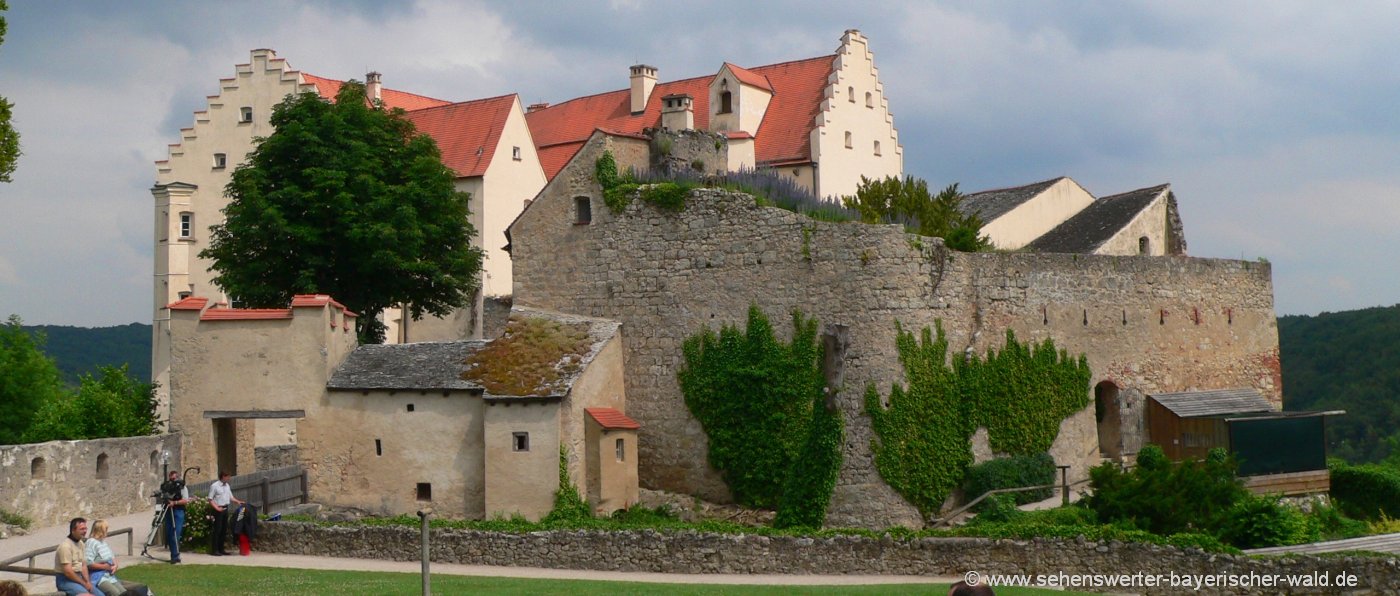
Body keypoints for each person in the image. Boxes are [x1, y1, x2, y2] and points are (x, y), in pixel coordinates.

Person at [54, 517, 94, 596]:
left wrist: (87, 582)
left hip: (78, 578)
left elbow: (83, 565)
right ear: (73, 530)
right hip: (65, 581)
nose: (85, 531)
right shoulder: (65, 547)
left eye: (85, 528)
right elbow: (68, 572)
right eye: (82, 529)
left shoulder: (81, 543)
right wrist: (84, 583)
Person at [84, 520, 123, 596]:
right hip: (99, 577)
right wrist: (105, 567)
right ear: (101, 530)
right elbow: (88, 563)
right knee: (115, 593)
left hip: (110, 576)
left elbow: (112, 557)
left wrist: (115, 565)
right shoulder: (91, 542)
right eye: (106, 529)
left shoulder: (103, 542)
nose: (107, 532)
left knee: (123, 592)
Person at [207, 470, 243, 556]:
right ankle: (215, 550)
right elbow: (210, 499)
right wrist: (216, 508)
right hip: (218, 508)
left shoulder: (227, 486)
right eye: (228, 477)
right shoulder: (214, 486)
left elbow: (231, 497)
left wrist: (238, 501)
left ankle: (221, 549)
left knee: (224, 529)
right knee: (217, 529)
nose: (229, 478)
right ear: (223, 476)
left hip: (225, 508)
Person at [160, 469, 192, 563]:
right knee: (169, 534)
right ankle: (173, 555)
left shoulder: (182, 487)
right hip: (168, 511)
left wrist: (175, 502)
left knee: (175, 534)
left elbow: (186, 500)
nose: (173, 479)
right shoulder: (167, 486)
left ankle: (176, 556)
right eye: (172, 477)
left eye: (175, 477)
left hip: (178, 511)